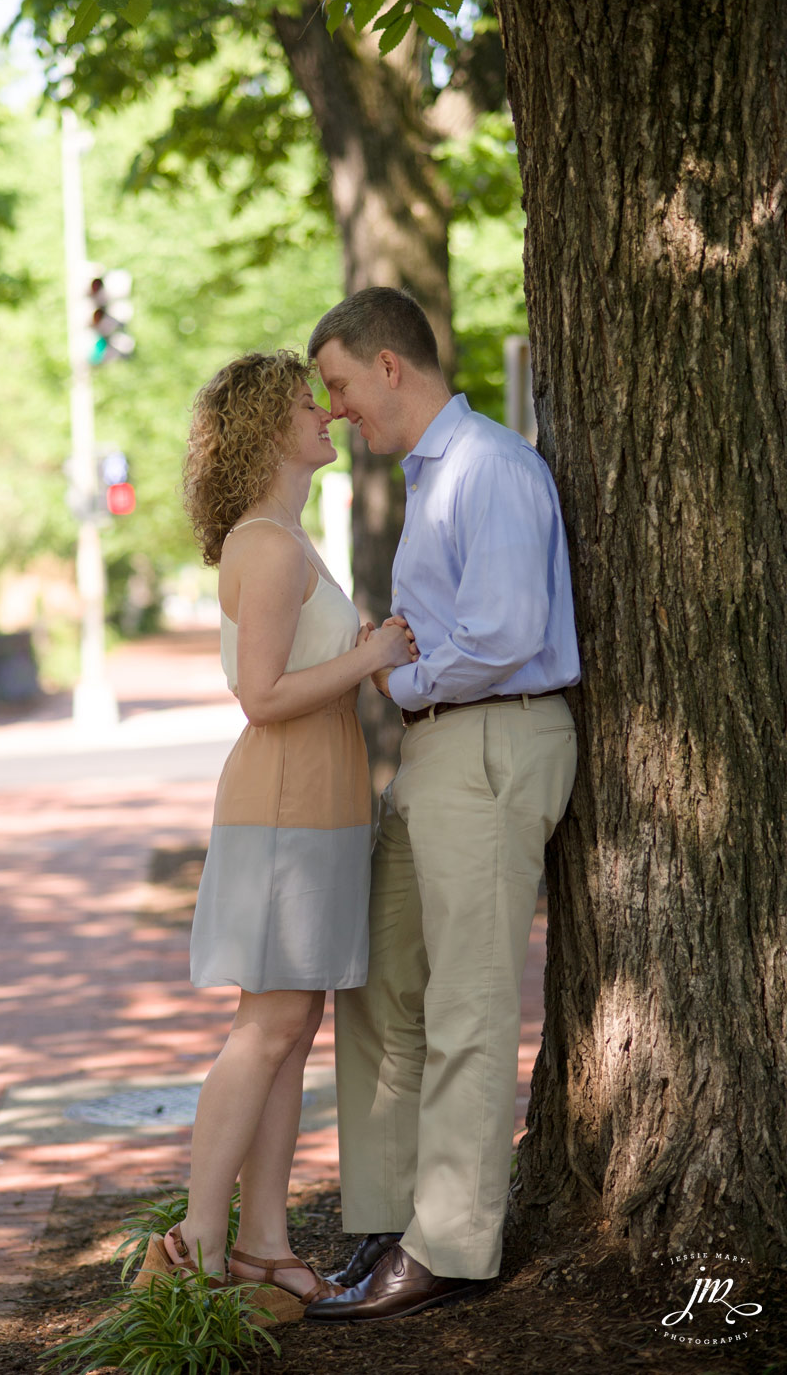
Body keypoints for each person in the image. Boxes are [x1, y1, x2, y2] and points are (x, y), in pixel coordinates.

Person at [302, 287, 581, 1323]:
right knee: (374, 979)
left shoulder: (489, 469)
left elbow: (506, 633)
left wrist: (401, 680)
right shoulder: (432, 477)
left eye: (337, 385)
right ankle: (387, 1218)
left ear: (389, 366)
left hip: (495, 740)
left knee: (467, 1000)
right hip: (436, 756)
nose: (334, 411)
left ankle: (453, 1248)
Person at [133, 350, 417, 1322]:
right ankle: (198, 1245)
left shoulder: (288, 542)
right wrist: (369, 654)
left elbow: (297, 671)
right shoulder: (270, 546)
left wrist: (361, 652)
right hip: (286, 805)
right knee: (265, 1031)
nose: (328, 415)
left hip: (319, 805)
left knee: (291, 1034)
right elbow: (260, 698)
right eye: (309, 405)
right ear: (267, 430)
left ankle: (262, 1244)